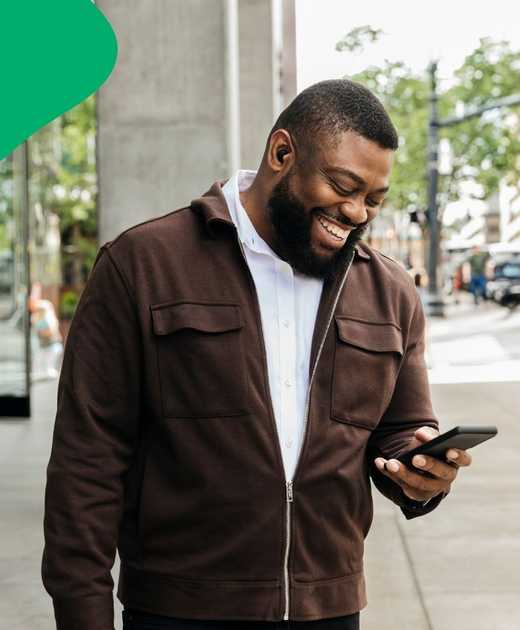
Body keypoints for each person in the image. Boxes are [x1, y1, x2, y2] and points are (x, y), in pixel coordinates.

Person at [42, 80, 475, 630]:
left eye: (373, 199)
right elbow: (87, 464)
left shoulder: (389, 291)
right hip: (179, 610)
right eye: (344, 186)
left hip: (331, 610)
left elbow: (401, 430)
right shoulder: (142, 265)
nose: (357, 212)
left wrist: (421, 471)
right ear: (282, 153)